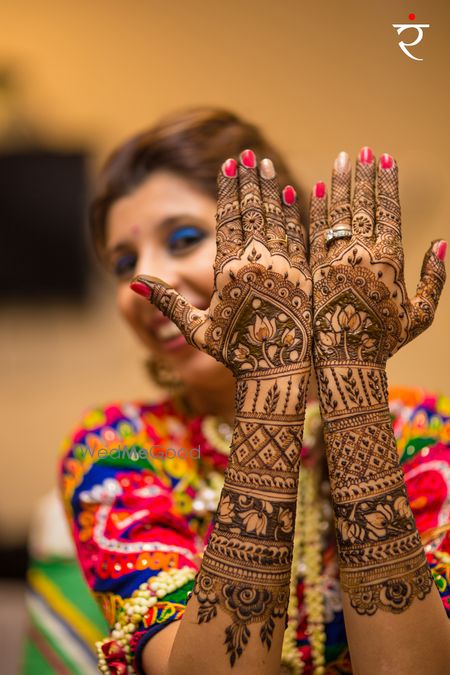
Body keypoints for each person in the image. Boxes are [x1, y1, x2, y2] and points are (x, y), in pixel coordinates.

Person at [59, 107, 450, 675]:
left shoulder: (424, 430)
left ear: (291, 249)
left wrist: (351, 378)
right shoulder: (116, 446)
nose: (143, 284)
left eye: (184, 238)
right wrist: (273, 383)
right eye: (123, 263)